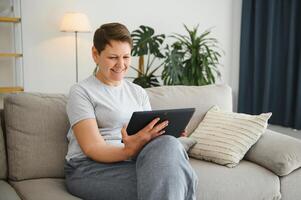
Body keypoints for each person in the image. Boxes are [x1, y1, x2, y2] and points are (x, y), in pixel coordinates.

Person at [64, 22, 198, 200]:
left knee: (169, 145)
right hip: (88, 168)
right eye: (113, 57)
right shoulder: (81, 91)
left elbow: (149, 142)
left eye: (126, 57)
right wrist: (128, 150)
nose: (121, 64)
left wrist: (164, 133)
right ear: (95, 54)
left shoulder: (138, 92)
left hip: (131, 162)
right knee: (176, 178)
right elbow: (92, 147)